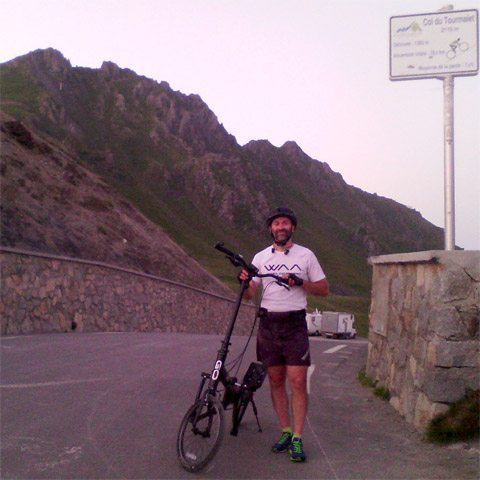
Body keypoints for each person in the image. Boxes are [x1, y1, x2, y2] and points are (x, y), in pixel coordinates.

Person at [239, 207, 329, 463]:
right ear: (271, 228)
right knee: (276, 380)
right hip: (268, 324)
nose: (280, 227)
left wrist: (301, 283)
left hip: (294, 325)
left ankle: (298, 437)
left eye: (285, 223)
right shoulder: (260, 257)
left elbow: (324, 289)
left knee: (297, 381)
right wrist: (244, 281)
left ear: (293, 228)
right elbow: (249, 294)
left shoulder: (306, 255)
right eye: (276, 223)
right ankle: (286, 432)